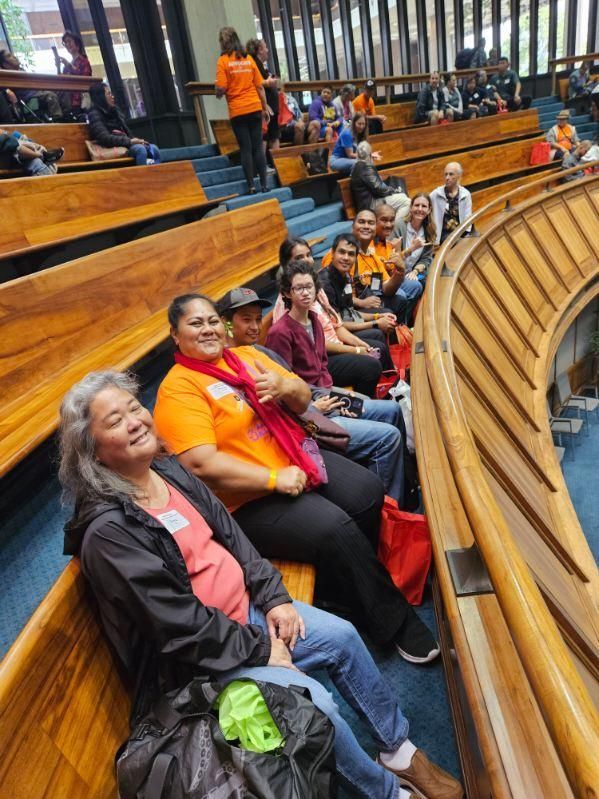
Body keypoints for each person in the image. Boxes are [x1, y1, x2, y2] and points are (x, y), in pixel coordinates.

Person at [59, 370, 463, 799]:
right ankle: (386, 792)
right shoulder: (108, 532)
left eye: (135, 407)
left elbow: (230, 533)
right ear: (95, 453)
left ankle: (396, 749)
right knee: (316, 706)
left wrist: (272, 597)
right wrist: (260, 646)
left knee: (342, 637)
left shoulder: (165, 469)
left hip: (248, 613)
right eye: (115, 421)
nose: (135, 420)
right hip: (202, 663)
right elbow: (178, 629)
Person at [153, 294, 443, 661]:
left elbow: (303, 396)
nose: (209, 328)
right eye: (196, 323)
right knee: (335, 528)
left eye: (213, 320)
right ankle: (394, 621)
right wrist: (273, 478)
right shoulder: (179, 388)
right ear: (174, 335)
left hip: (293, 458)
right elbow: (200, 465)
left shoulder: (245, 357)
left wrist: (286, 387)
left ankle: (345, 586)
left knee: (367, 491)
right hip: (245, 498)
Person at [218, 286, 407, 506]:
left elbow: (299, 382)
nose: (254, 327)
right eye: (246, 320)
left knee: (391, 409)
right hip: (310, 422)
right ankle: (392, 510)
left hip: (320, 401)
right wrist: (315, 406)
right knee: (388, 437)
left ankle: (405, 484)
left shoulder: (259, 351)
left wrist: (336, 394)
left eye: (257, 319)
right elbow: (273, 415)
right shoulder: (243, 357)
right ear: (226, 322)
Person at [277, 236, 393, 381]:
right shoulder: (289, 301)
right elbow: (315, 345)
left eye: (309, 255)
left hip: (335, 343)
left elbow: (337, 325)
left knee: (376, 342)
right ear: (287, 264)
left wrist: (359, 344)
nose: (307, 260)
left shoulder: (317, 288)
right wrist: (356, 350)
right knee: (371, 364)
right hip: (318, 360)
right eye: (300, 257)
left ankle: (391, 381)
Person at [322, 208, 408, 322]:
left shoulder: (373, 257)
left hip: (369, 303)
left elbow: (387, 289)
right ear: (353, 226)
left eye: (371, 223)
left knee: (400, 301)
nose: (366, 226)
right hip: (346, 312)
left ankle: (400, 336)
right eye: (362, 222)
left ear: (375, 228)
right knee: (387, 314)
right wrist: (362, 302)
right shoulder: (342, 256)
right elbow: (333, 296)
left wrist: (400, 272)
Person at [215, 27, 269, 194]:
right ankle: (265, 185)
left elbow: (221, 89)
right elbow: (260, 87)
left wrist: (217, 90)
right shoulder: (248, 59)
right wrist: (264, 107)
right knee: (258, 147)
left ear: (223, 43)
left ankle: (251, 185)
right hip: (254, 107)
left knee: (245, 149)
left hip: (237, 111)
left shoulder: (223, 61)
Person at [373, 204, 424, 322]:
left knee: (416, 286)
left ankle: (403, 323)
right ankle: (398, 327)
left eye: (391, 220)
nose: (389, 224)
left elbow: (393, 266)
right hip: (375, 286)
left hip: (387, 279)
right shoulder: (368, 244)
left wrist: (398, 251)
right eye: (384, 220)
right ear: (375, 221)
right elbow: (377, 280)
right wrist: (409, 250)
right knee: (401, 295)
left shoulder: (387, 243)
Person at [88, 83, 160, 165]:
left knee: (154, 148)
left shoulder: (115, 111)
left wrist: (137, 140)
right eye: (109, 94)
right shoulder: (94, 114)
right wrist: (130, 141)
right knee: (141, 150)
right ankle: (142, 176)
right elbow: (105, 138)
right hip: (111, 147)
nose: (112, 96)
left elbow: (126, 132)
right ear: (100, 97)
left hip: (124, 144)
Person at [350, 140, 411, 219]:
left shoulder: (357, 166)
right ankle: (394, 228)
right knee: (406, 202)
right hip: (371, 205)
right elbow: (380, 189)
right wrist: (394, 190)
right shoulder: (366, 167)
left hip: (368, 203)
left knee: (402, 196)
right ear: (369, 154)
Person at [0, 49, 66, 121]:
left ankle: (67, 118)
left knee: (63, 91)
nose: (14, 57)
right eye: (9, 56)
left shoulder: (21, 71)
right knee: (50, 96)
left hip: (38, 92)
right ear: (5, 64)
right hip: (28, 98)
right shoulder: (7, 76)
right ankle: (58, 121)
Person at [394, 194, 437, 284]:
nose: (420, 209)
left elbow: (426, 258)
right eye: (417, 205)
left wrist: (415, 272)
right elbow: (392, 258)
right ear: (411, 208)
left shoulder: (430, 230)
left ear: (429, 210)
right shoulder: (399, 225)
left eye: (424, 206)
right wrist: (412, 248)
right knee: (417, 286)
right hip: (396, 274)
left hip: (413, 272)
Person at [246, 38, 280, 151]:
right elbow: (258, 84)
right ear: (260, 49)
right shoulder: (254, 64)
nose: (268, 50)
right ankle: (264, 166)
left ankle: (276, 164)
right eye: (265, 47)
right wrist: (265, 105)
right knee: (264, 137)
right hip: (265, 108)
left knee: (273, 136)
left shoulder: (262, 65)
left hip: (270, 108)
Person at [429, 163, 473, 244]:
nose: (447, 177)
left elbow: (468, 218)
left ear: (459, 176)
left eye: (451, 174)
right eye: (445, 174)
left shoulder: (466, 194)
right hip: (443, 235)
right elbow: (425, 203)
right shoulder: (436, 194)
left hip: (460, 233)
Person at [55, 30, 92, 116]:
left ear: (77, 44)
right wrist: (58, 67)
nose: (67, 45)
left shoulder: (84, 61)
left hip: (80, 99)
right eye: (65, 43)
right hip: (70, 100)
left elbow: (84, 79)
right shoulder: (69, 64)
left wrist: (68, 65)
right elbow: (61, 80)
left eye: (69, 41)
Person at [329, 111, 370, 175]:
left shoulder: (361, 134)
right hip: (336, 160)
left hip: (348, 160)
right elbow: (350, 155)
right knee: (358, 163)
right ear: (354, 123)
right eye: (359, 124)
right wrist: (367, 155)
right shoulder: (347, 133)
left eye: (363, 124)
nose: (361, 126)